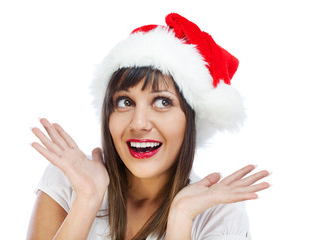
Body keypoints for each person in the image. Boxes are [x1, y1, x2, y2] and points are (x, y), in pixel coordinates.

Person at [27, 13, 270, 240]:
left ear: (191, 119)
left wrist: (181, 217)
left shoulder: (218, 213)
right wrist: (87, 199)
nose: (139, 123)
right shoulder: (69, 180)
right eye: (125, 102)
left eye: (163, 102)